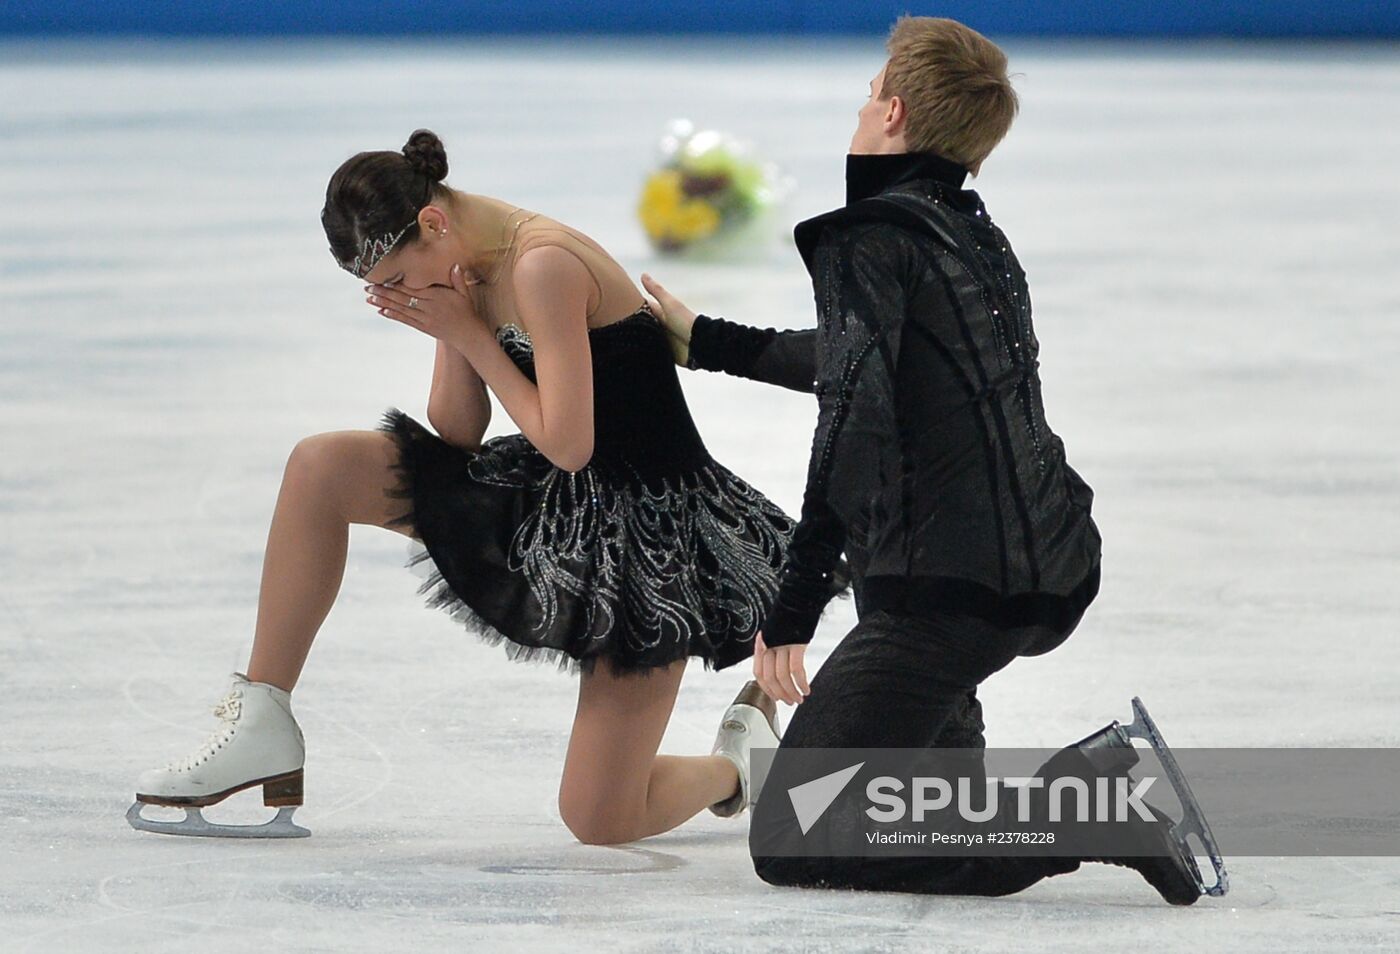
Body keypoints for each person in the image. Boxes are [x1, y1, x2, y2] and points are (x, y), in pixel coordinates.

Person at [642, 16, 1213, 904]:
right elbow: (868, 359)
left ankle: (1091, 806)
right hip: (1032, 566)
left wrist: (793, 607)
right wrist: (711, 341)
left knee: (796, 839)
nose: (860, 102)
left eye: (871, 89)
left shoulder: (869, 235)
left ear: (894, 111)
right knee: (928, 808)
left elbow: (852, 425)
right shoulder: (969, 232)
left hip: (944, 597)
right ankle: (1056, 789)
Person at [126, 128, 805, 843]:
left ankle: (740, 765)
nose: (391, 298)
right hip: (557, 493)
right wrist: (452, 325)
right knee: (321, 467)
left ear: (433, 223)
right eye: (376, 289)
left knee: (600, 817)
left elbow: (574, 445)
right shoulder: (460, 260)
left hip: (646, 533)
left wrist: (473, 333)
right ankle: (263, 719)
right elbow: (456, 433)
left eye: (392, 279)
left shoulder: (542, 265)